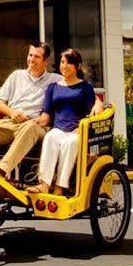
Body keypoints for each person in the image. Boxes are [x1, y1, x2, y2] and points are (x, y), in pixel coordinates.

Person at [0, 42, 59, 183]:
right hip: (10, 123)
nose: (31, 59)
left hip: (35, 126)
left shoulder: (55, 80)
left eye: (36, 56)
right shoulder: (16, 76)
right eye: (30, 55)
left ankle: (1, 171)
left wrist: (97, 102)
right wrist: (12, 112)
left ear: (46, 61)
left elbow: (78, 87)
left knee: (30, 127)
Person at [34, 48, 98, 196]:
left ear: (78, 66)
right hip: (59, 129)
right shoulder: (53, 88)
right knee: (50, 137)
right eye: (62, 62)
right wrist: (30, 120)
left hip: (78, 130)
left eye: (69, 62)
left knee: (70, 144)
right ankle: (44, 184)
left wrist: (97, 107)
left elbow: (94, 105)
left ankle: (60, 187)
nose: (64, 66)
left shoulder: (85, 87)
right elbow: (46, 115)